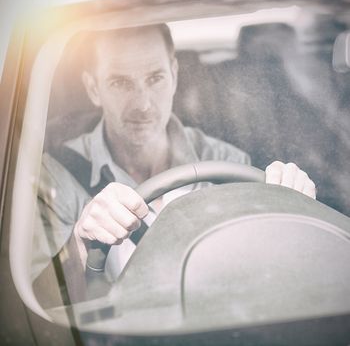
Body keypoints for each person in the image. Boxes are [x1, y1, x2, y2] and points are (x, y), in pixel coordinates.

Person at [36, 24, 316, 285]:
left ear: (174, 76)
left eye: (155, 78)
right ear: (94, 89)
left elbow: (264, 277)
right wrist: (80, 243)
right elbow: (38, 304)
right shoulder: (56, 177)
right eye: (120, 82)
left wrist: (294, 214)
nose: (143, 104)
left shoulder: (227, 164)